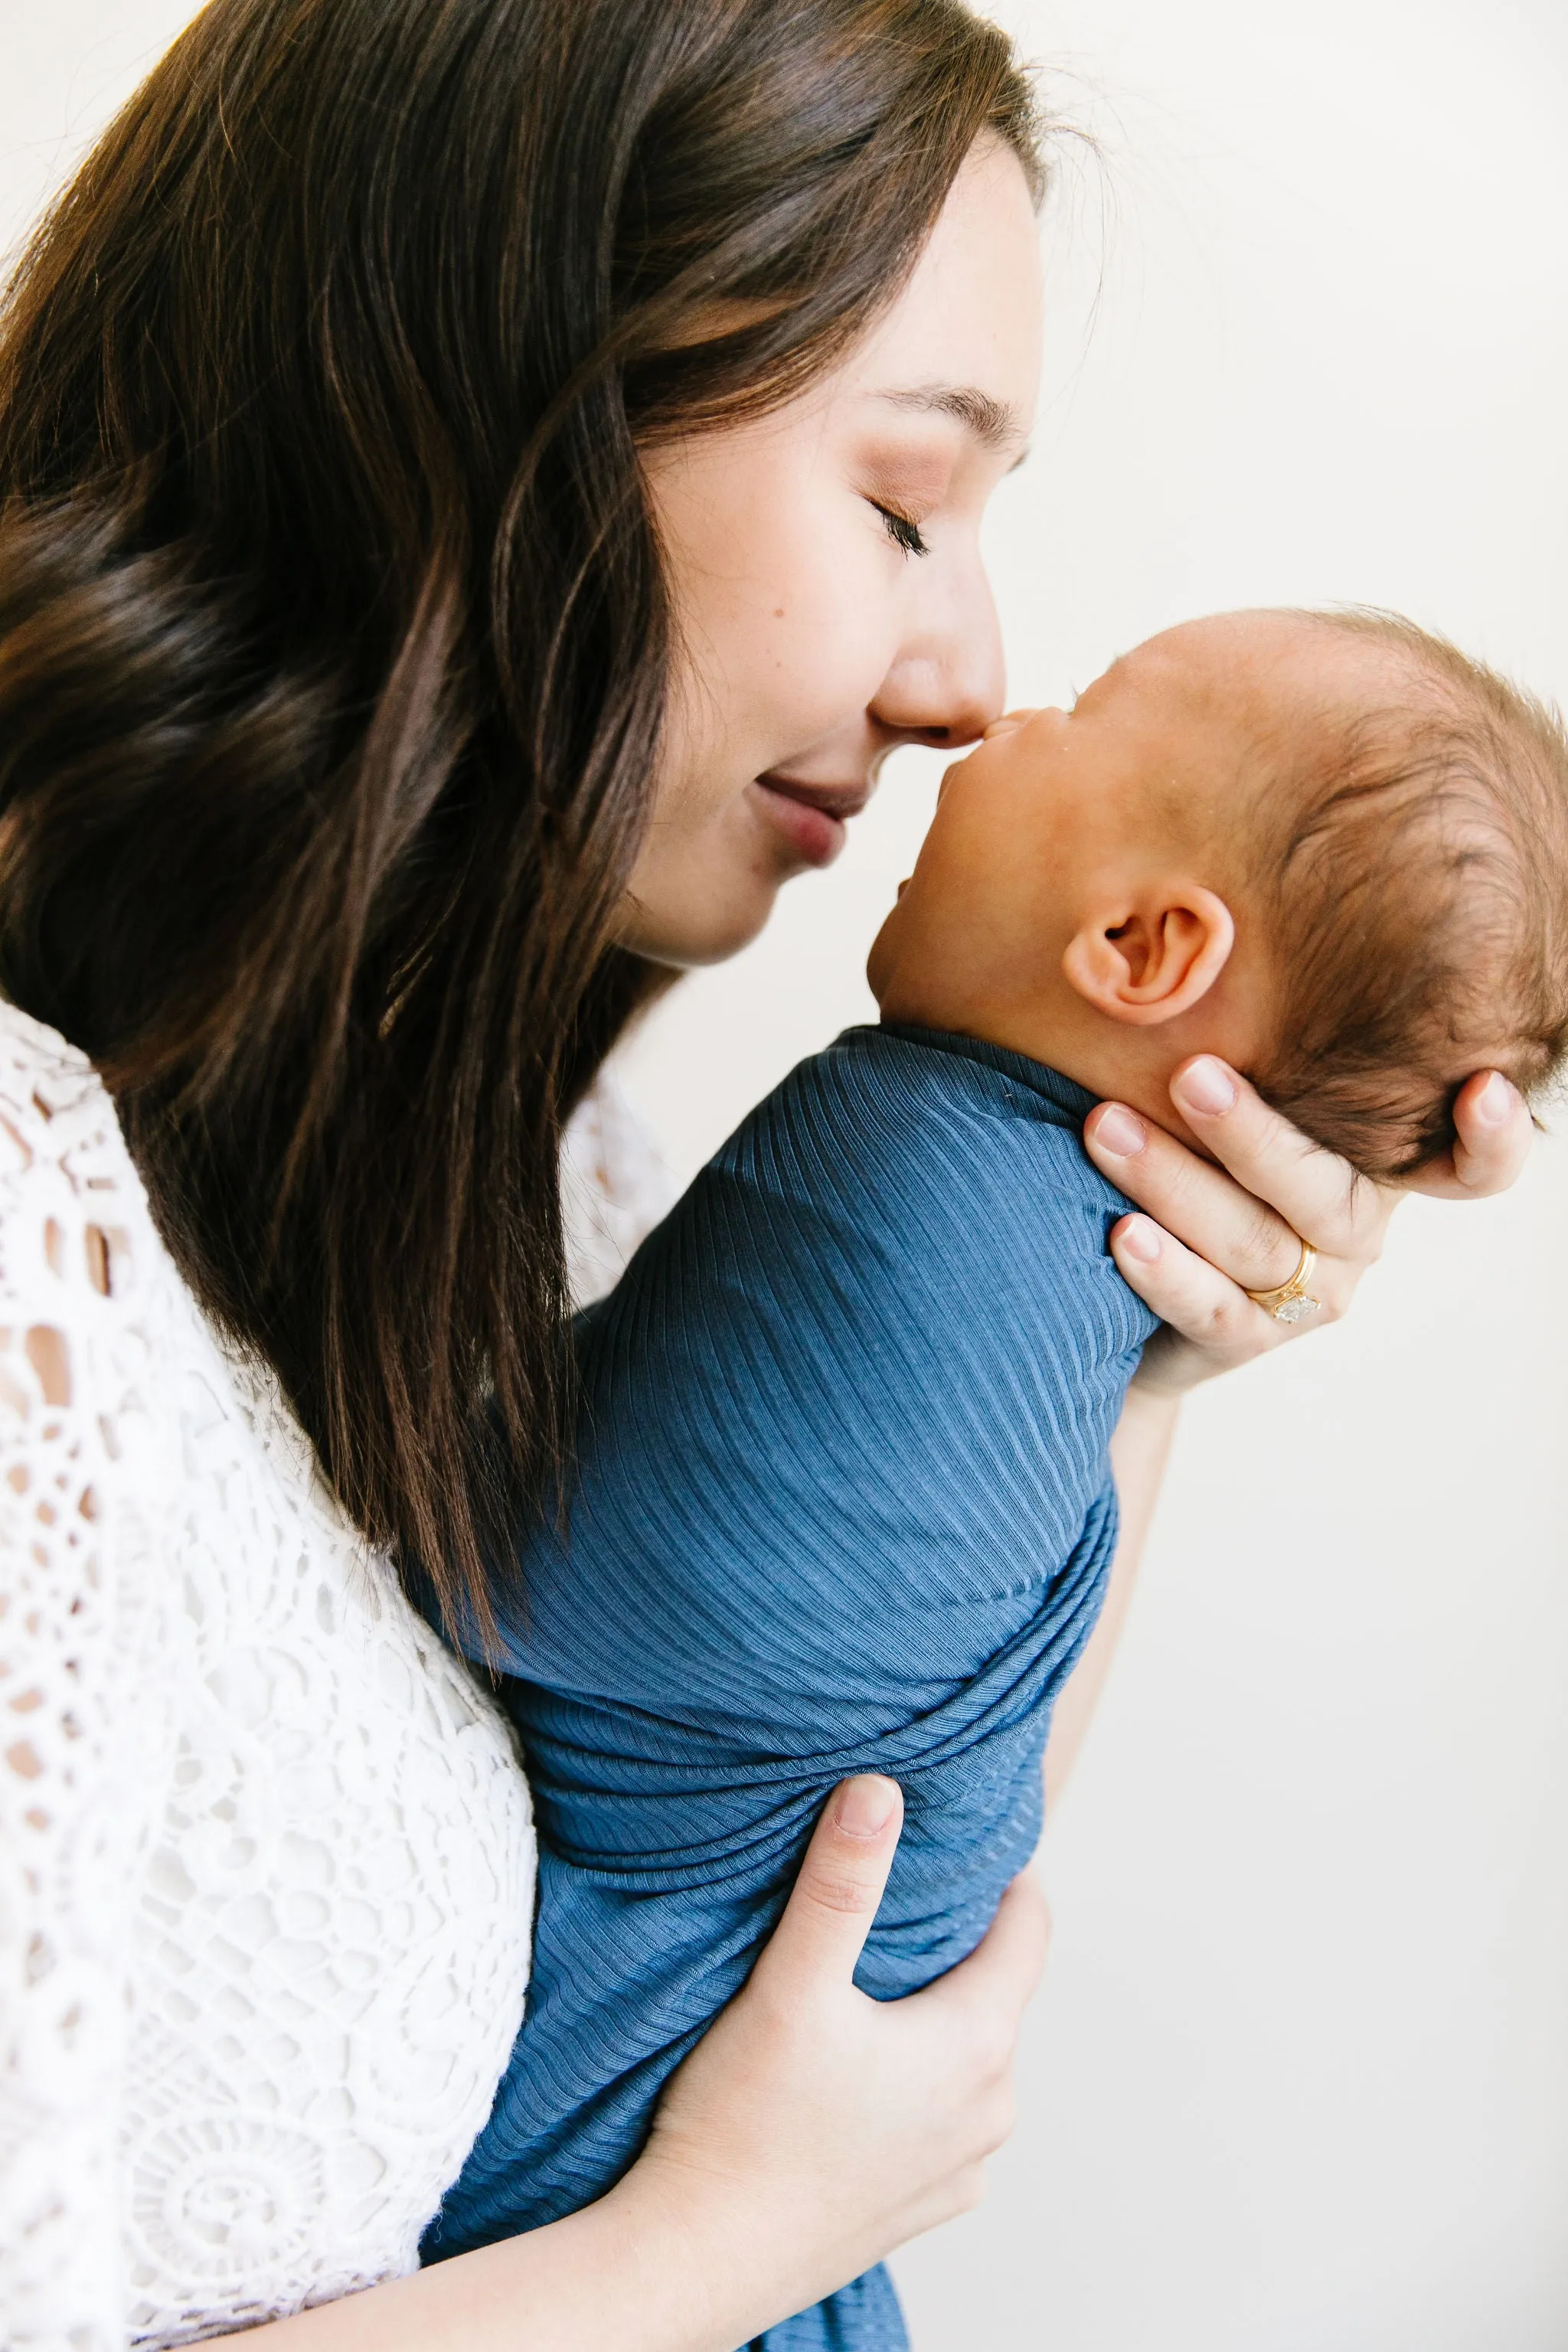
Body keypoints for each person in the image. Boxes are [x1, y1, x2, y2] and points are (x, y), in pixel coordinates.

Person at [0, 4, 1533, 2349]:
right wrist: (715, 2247)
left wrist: (1143, 1332)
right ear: (504, 392)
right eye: (907, 504)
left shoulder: (563, 1184)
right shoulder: (38, 1253)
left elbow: (870, 1895)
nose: (964, 676)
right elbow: (806, 2136)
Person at [416, 606, 1568, 2347]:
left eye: (1081, 710)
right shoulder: (1009, 1223)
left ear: (1137, 942)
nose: (992, 713)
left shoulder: (903, 1175)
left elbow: (525, 1577)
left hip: (615, 2167)